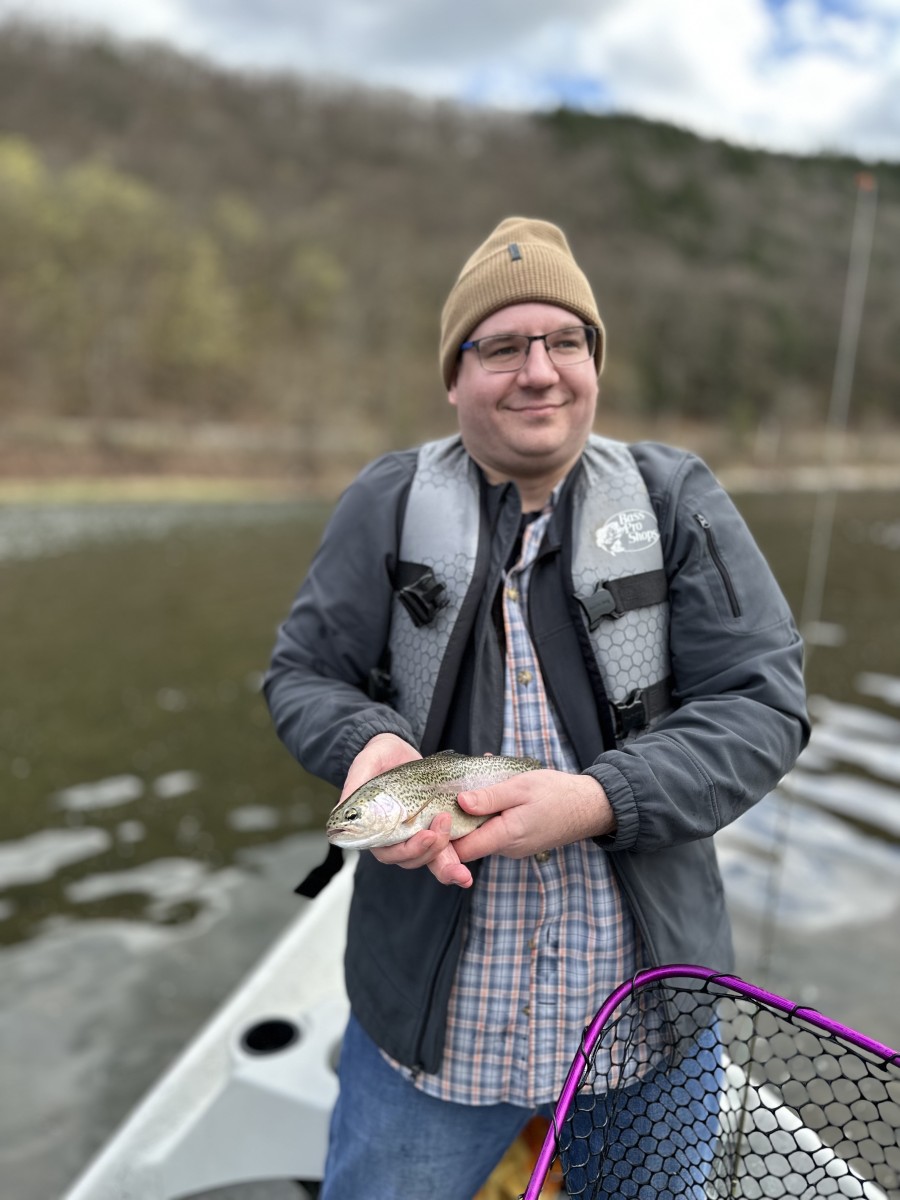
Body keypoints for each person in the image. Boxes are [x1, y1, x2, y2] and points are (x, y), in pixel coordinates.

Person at [264, 216, 809, 1198]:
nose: (540, 371)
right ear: (454, 375)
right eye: (503, 346)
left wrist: (599, 799)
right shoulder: (386, 500)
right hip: (430, 1034)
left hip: (644, 1026)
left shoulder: (678, 498)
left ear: (594, 364)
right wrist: (366, 741)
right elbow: (302, 673)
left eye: (566, 342)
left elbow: (763, 703)